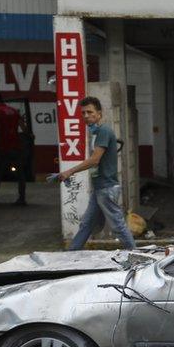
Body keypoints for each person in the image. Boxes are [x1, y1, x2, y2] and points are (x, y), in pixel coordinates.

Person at [59, 96, 136, 251]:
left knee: (118, 227)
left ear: (99, 114)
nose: (86, 116)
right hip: (100, 188)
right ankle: (71, 254)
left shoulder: (104, 131)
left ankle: (137, 255)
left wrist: (70, 171)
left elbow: (94, 160)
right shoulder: (98, 133)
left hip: (106, 189)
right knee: (86, 224)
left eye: (90, 112)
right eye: (83, 113)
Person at [0, 92, 28, 206]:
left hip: (4, 147)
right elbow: (24, 128)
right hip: (16, 146)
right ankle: (22, 198)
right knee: (20, 174)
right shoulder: (13, 111)